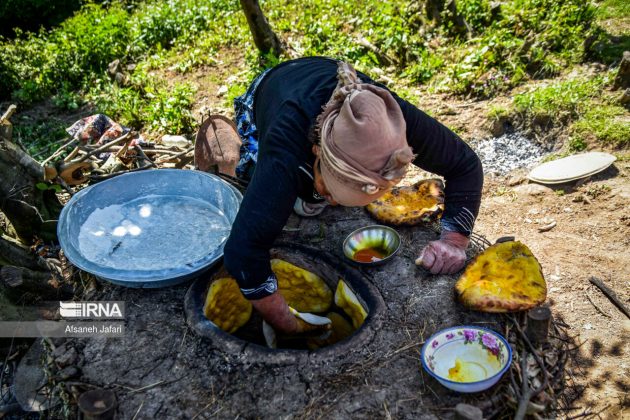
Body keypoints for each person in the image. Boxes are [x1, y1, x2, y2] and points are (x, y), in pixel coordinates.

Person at [219, 57, 483, 335]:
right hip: (273, 89)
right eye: (330, 191)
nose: (332, 203)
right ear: (316, 153)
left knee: (306, 197)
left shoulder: (391, 123)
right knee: (268, 191)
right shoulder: (284, 149)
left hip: (318, 92)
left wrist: (454, 240)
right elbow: (242, 253)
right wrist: (290, 325)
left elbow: (465, 165)